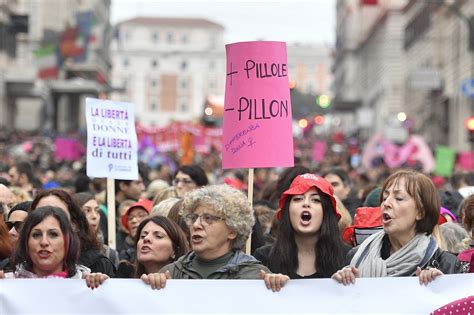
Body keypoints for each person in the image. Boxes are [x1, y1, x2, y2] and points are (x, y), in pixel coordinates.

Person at [140, 185, 289, 292]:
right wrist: (154, 287)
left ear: (232, 230)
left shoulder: (256, 276)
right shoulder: (170, 275)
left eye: (209, 218)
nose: (197, 225)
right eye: (194, 218)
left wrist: (277, 288)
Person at [331, 170, 463, 286]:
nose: (386, 203)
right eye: (385, 197)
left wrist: (438, 288)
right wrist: (345, 284)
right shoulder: (356, 257)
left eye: (399, 198)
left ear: (421, 212)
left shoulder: (445, 264)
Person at [254, 174, 350, 278]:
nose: (306, 204)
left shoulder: (348, 257)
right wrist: (266, 284)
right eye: (298, 198)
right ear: (287, 210)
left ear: (326, 213)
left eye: (316, 200)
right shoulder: (264, 258)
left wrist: (349, 281)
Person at [0, 206, 107, 289]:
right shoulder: (7, 284)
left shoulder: (87, 284)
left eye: (53, 234)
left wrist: (102, 286)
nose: (44, 242)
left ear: (67, 241)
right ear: (26, 242)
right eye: (36, 235)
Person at [30, 189, 116, 276]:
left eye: (58, 213)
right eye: (41, 212)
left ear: (74, 223)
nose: (49, 218)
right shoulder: (17, 270)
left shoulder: (98, 265)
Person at [116, 216, 189, 278]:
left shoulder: (189, 280)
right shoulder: (123, 275)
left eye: (158, 236)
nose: (146, 239)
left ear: (175, 251)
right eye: (142, 236)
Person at [75, 192, 119, 268]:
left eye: (97, 211)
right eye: (87, 211)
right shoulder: (63, 251)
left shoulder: (109, 254)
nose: (94, 216)